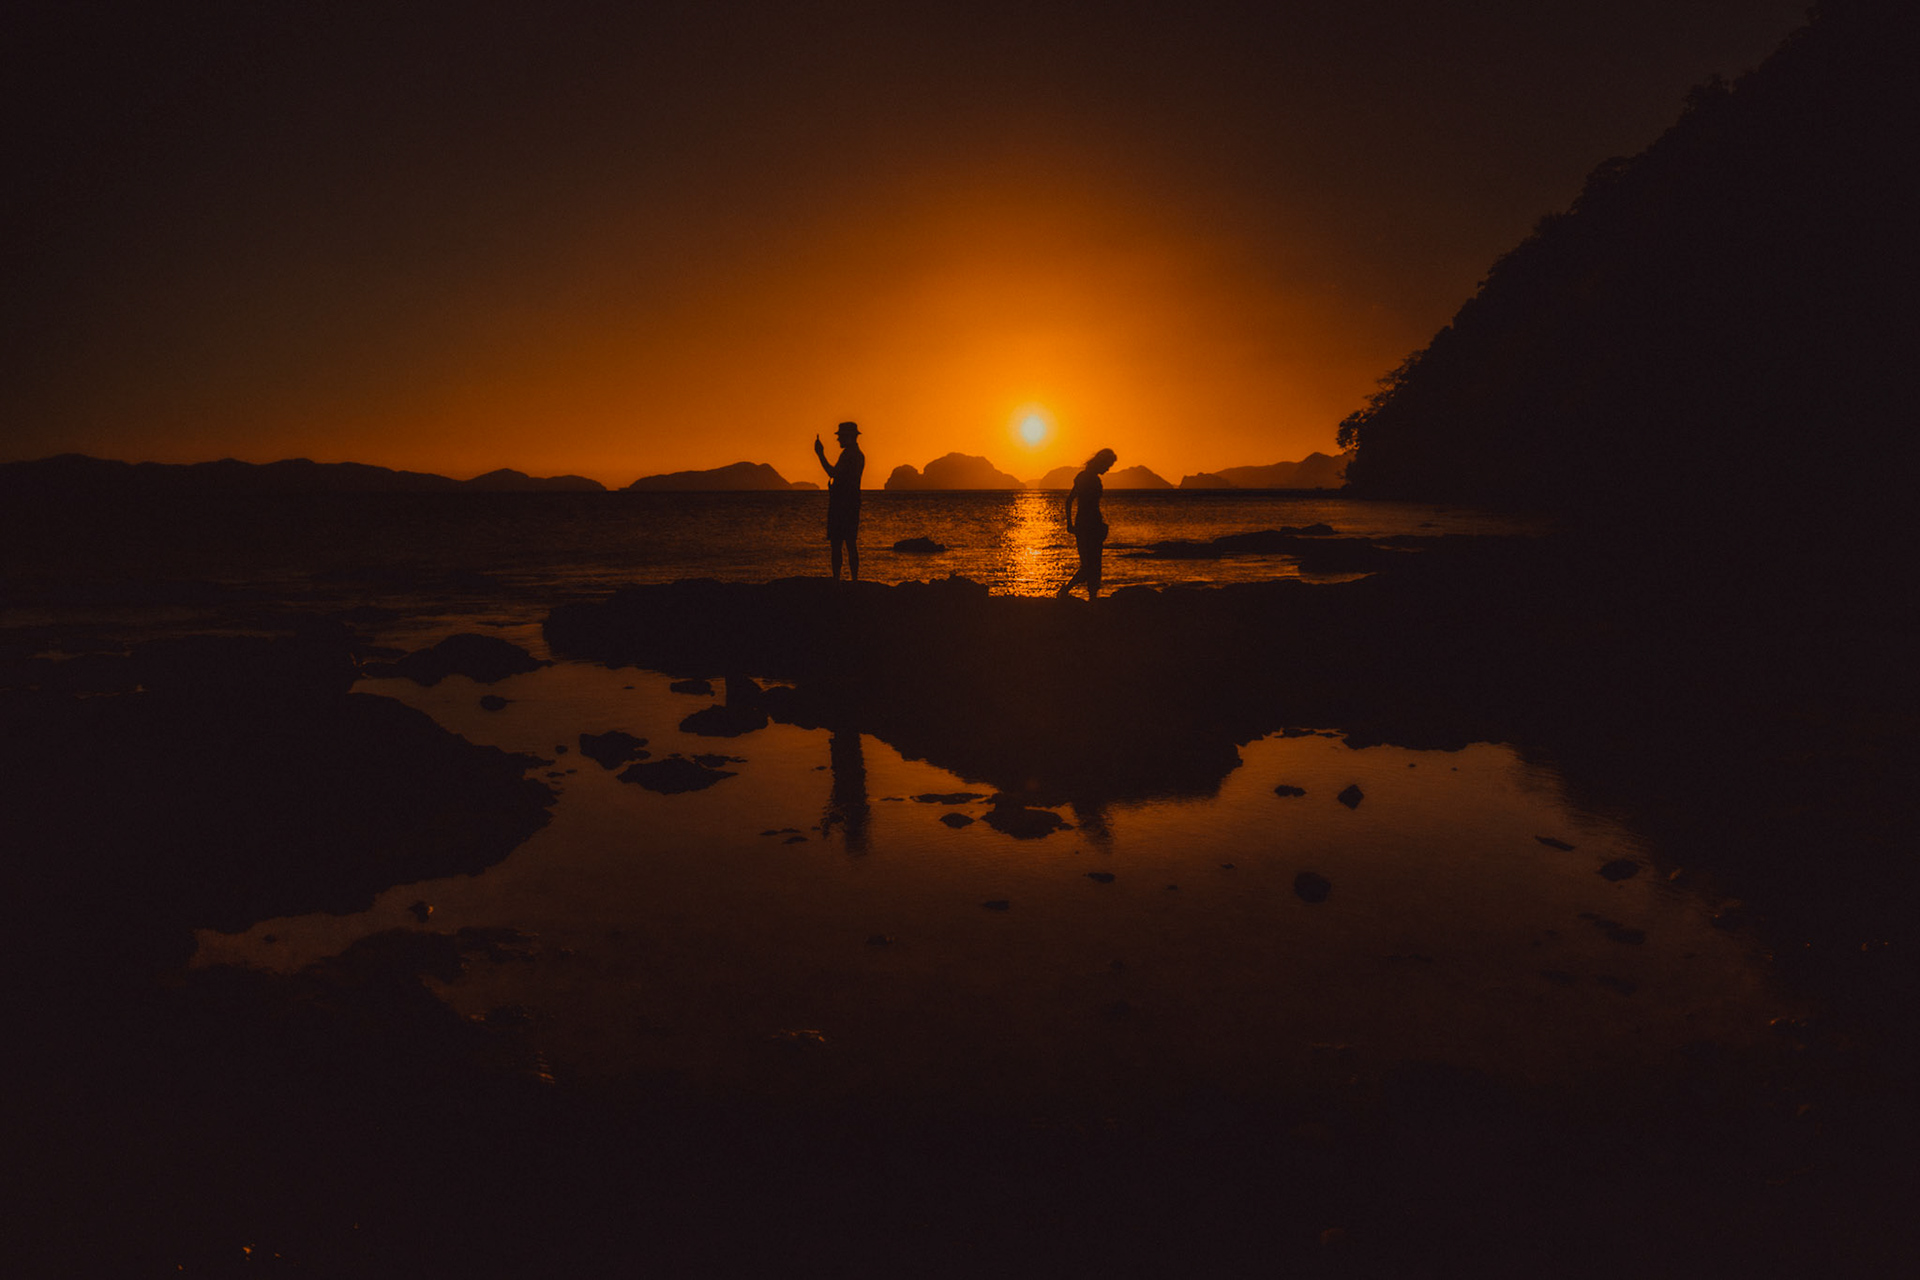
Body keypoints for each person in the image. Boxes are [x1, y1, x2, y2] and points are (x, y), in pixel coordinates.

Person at [1057, 447, 1116, 600]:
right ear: (1102, 463)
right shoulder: (1086, 478)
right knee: (1090, 565)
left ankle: (1090, 597)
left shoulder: (1087, 477)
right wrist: (1069, 524)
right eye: (1108, 465)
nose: (1108, 469)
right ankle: (1066, 591)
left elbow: (1070, 501)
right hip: (1086, 524)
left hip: (1091, 523)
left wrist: (1070, 524)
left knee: (1093, 564)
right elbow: (1070, 501)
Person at [814, 421, 865, 580]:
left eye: (841, 436)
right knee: (851, 543)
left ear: (848, 437)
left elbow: (833, 473)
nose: (838, 439)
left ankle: (837, 581)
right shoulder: (858, 454)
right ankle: (854, 581)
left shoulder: (849, 455)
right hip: (852, 503)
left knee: (837, 544)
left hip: (842, 505)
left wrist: (820, 454)